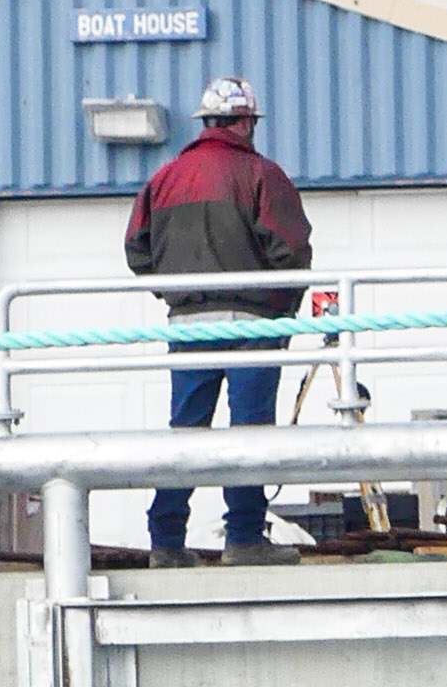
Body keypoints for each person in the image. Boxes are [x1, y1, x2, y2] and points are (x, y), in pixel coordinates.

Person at [125, 74, 312, 560]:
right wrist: (281, 311)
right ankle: (245, 539)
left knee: (186, 433)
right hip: (251, 323)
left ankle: (165, 542)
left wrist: (179, 291)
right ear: (246, 122)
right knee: (248, 434)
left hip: (188, 324)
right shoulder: (262, 176)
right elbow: (290, 250)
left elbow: (137, 251)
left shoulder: (164, 178)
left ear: (206, 122)